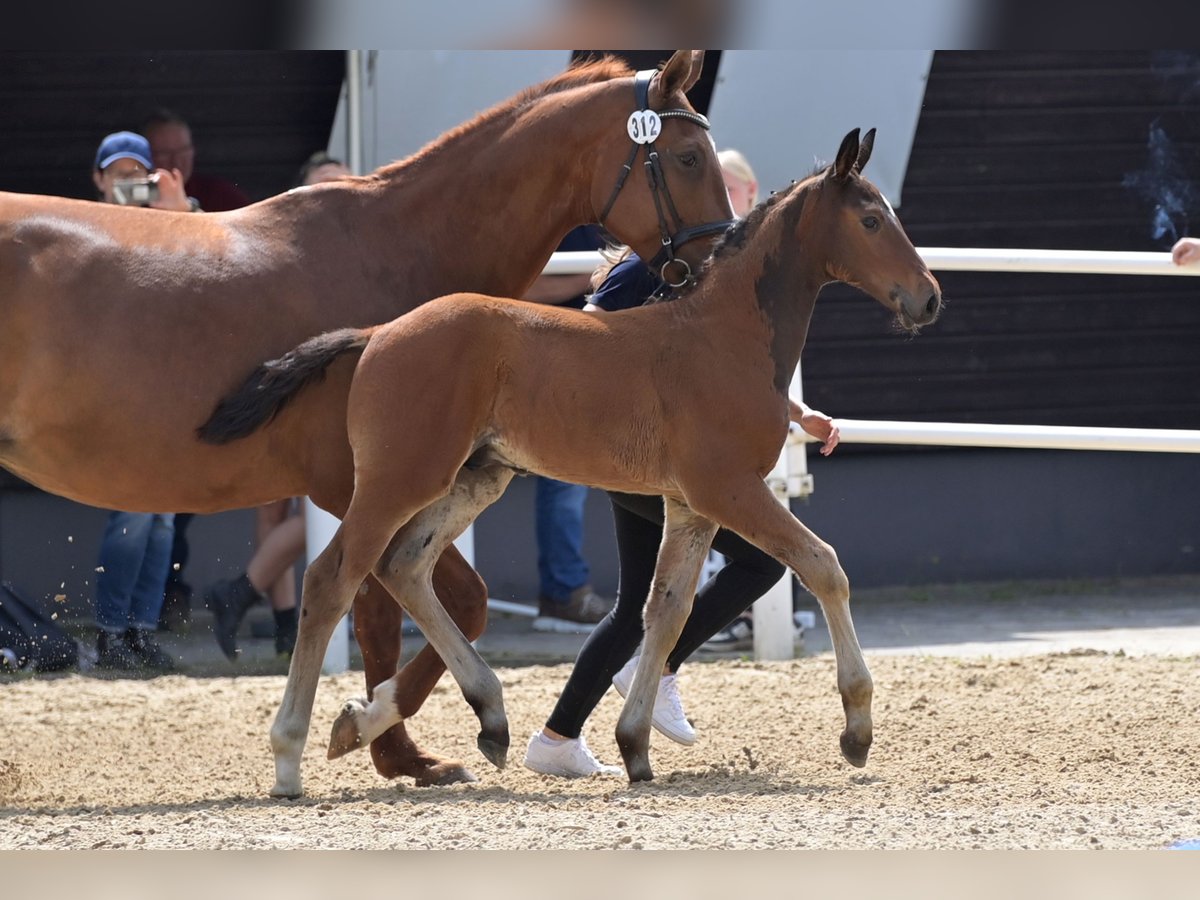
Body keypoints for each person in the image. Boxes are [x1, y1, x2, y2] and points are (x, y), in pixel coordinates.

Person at [523, 149, 841, 777]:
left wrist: (797, 413)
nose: (722, 208)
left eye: (731, 194)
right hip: (636, 454)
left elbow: (725, 382)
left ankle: (557, 738)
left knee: (636, 602)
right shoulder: (653, 268)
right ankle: (659, 667)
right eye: (716, 191)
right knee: (759, 561)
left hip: (660, 458)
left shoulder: (723, 277)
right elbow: (583, 345)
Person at [203, 154, 355, 661]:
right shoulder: (290, 248)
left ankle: (242, 591)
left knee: (321, 503)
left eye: (345, 185)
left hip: (327, 389)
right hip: (279, 380)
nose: (336, 195)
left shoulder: (365, 251)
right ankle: (286, 625)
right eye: (324, 189)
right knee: (274, 509)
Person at [89, 131, 194, 671]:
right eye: (117, 174)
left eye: (137, 174)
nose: (126, 183)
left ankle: (137, 632)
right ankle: (110, 634)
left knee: (160, 522)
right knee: (132, 516)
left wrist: (178, 212)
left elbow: (216, 264)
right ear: (98, 180)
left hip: (168, 394)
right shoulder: (81, 228)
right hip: (118, 394)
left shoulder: (172, 219)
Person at [524, 225, 615, 633]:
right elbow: (517, 290)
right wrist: (602, 271)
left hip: (585, 364)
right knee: (564, 481)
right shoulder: (553, 216)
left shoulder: (602, 218)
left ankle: (567, 592)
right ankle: (564, 593)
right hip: (548, 366)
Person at [142, 108, 250, 213]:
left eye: (183, 151)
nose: (176, 161)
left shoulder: (221, 195)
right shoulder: (136, 199)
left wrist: (187, 208)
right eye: (164, 153)